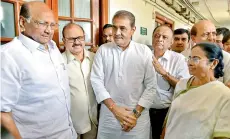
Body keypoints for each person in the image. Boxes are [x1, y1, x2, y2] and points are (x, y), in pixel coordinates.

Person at [1, 2, 76, 139]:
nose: (49, 30)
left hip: (68, 133)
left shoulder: (52, 47)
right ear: (23, 22)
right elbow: (2, 112)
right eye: (42, 23)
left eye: (52, 25)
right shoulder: (8, 56)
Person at [91, 10, 160, 139]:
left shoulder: (143, 51)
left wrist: (134, 115)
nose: (117, 33)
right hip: (109, 116)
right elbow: (96, 81)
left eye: (122, 28)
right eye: (114, 27)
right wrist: (115, 109)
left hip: (136, 119)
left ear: (133, 30)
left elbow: (151, 85)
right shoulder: (103, 50)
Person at [164, 42, 230, 139]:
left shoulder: (223, 94)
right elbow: (171, 118)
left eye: (195, 59)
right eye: (189, 58)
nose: (189, 63)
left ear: (213, 63)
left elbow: (222, 135)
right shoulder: (182, 84)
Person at [150, 25, 190, 139]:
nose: (160, 39)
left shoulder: (178, 59)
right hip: (143, 112)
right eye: (157, 36)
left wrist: (164, 73)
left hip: (166, 113)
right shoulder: (144, 55)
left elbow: (184, 87)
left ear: (171, 42)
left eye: (164, 37)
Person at [62, 23, 98, 139]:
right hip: (70, 124)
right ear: (63, 40)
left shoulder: (95, 58)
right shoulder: (58, 62)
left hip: (94, 120)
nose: (77, 42)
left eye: (80, 38)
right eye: (71, 39)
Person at [191, 20, 230, 88]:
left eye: (214, 34)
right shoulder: (184, 56)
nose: (211, 38)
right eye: (206, 34)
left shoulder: (226, 58)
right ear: (193, 38)